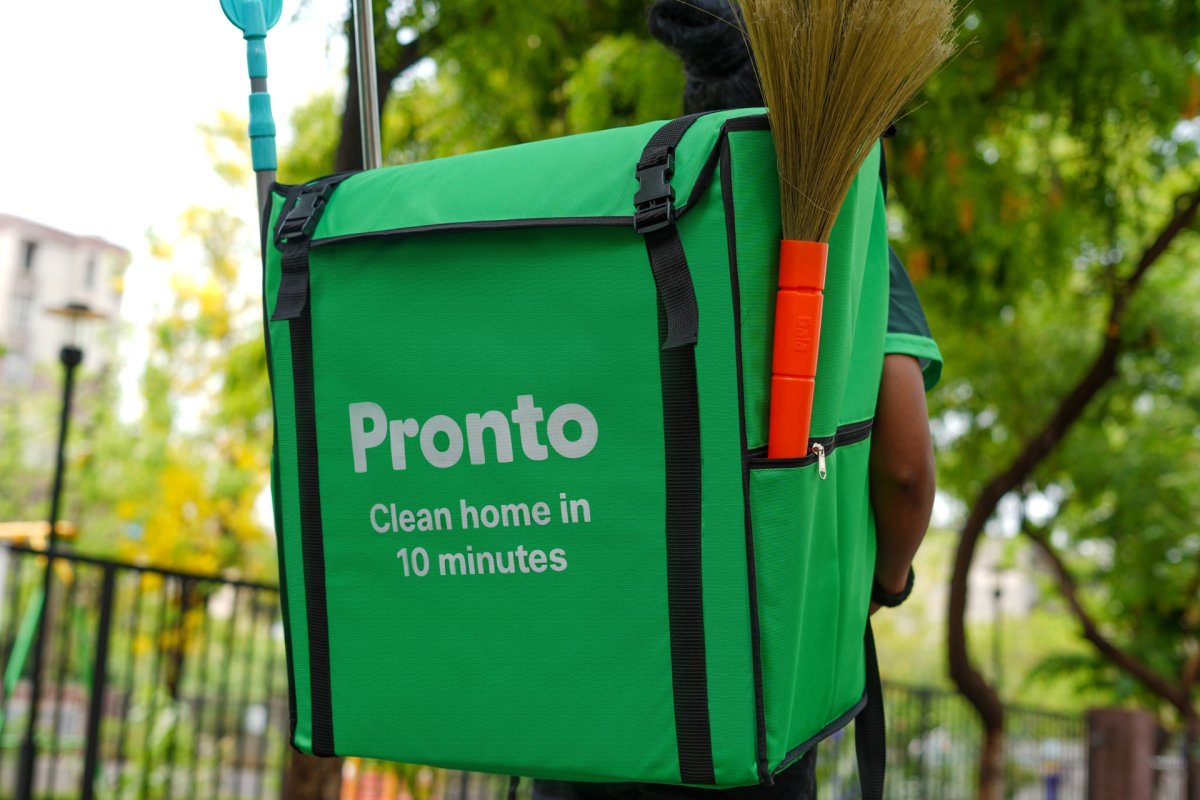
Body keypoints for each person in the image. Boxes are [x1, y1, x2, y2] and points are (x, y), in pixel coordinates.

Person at [535, 3, 941, 798]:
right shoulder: (841, 241)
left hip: (597, 689)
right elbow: (904, 471)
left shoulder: (625, 213)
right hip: (743, 695)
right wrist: (887, 579)